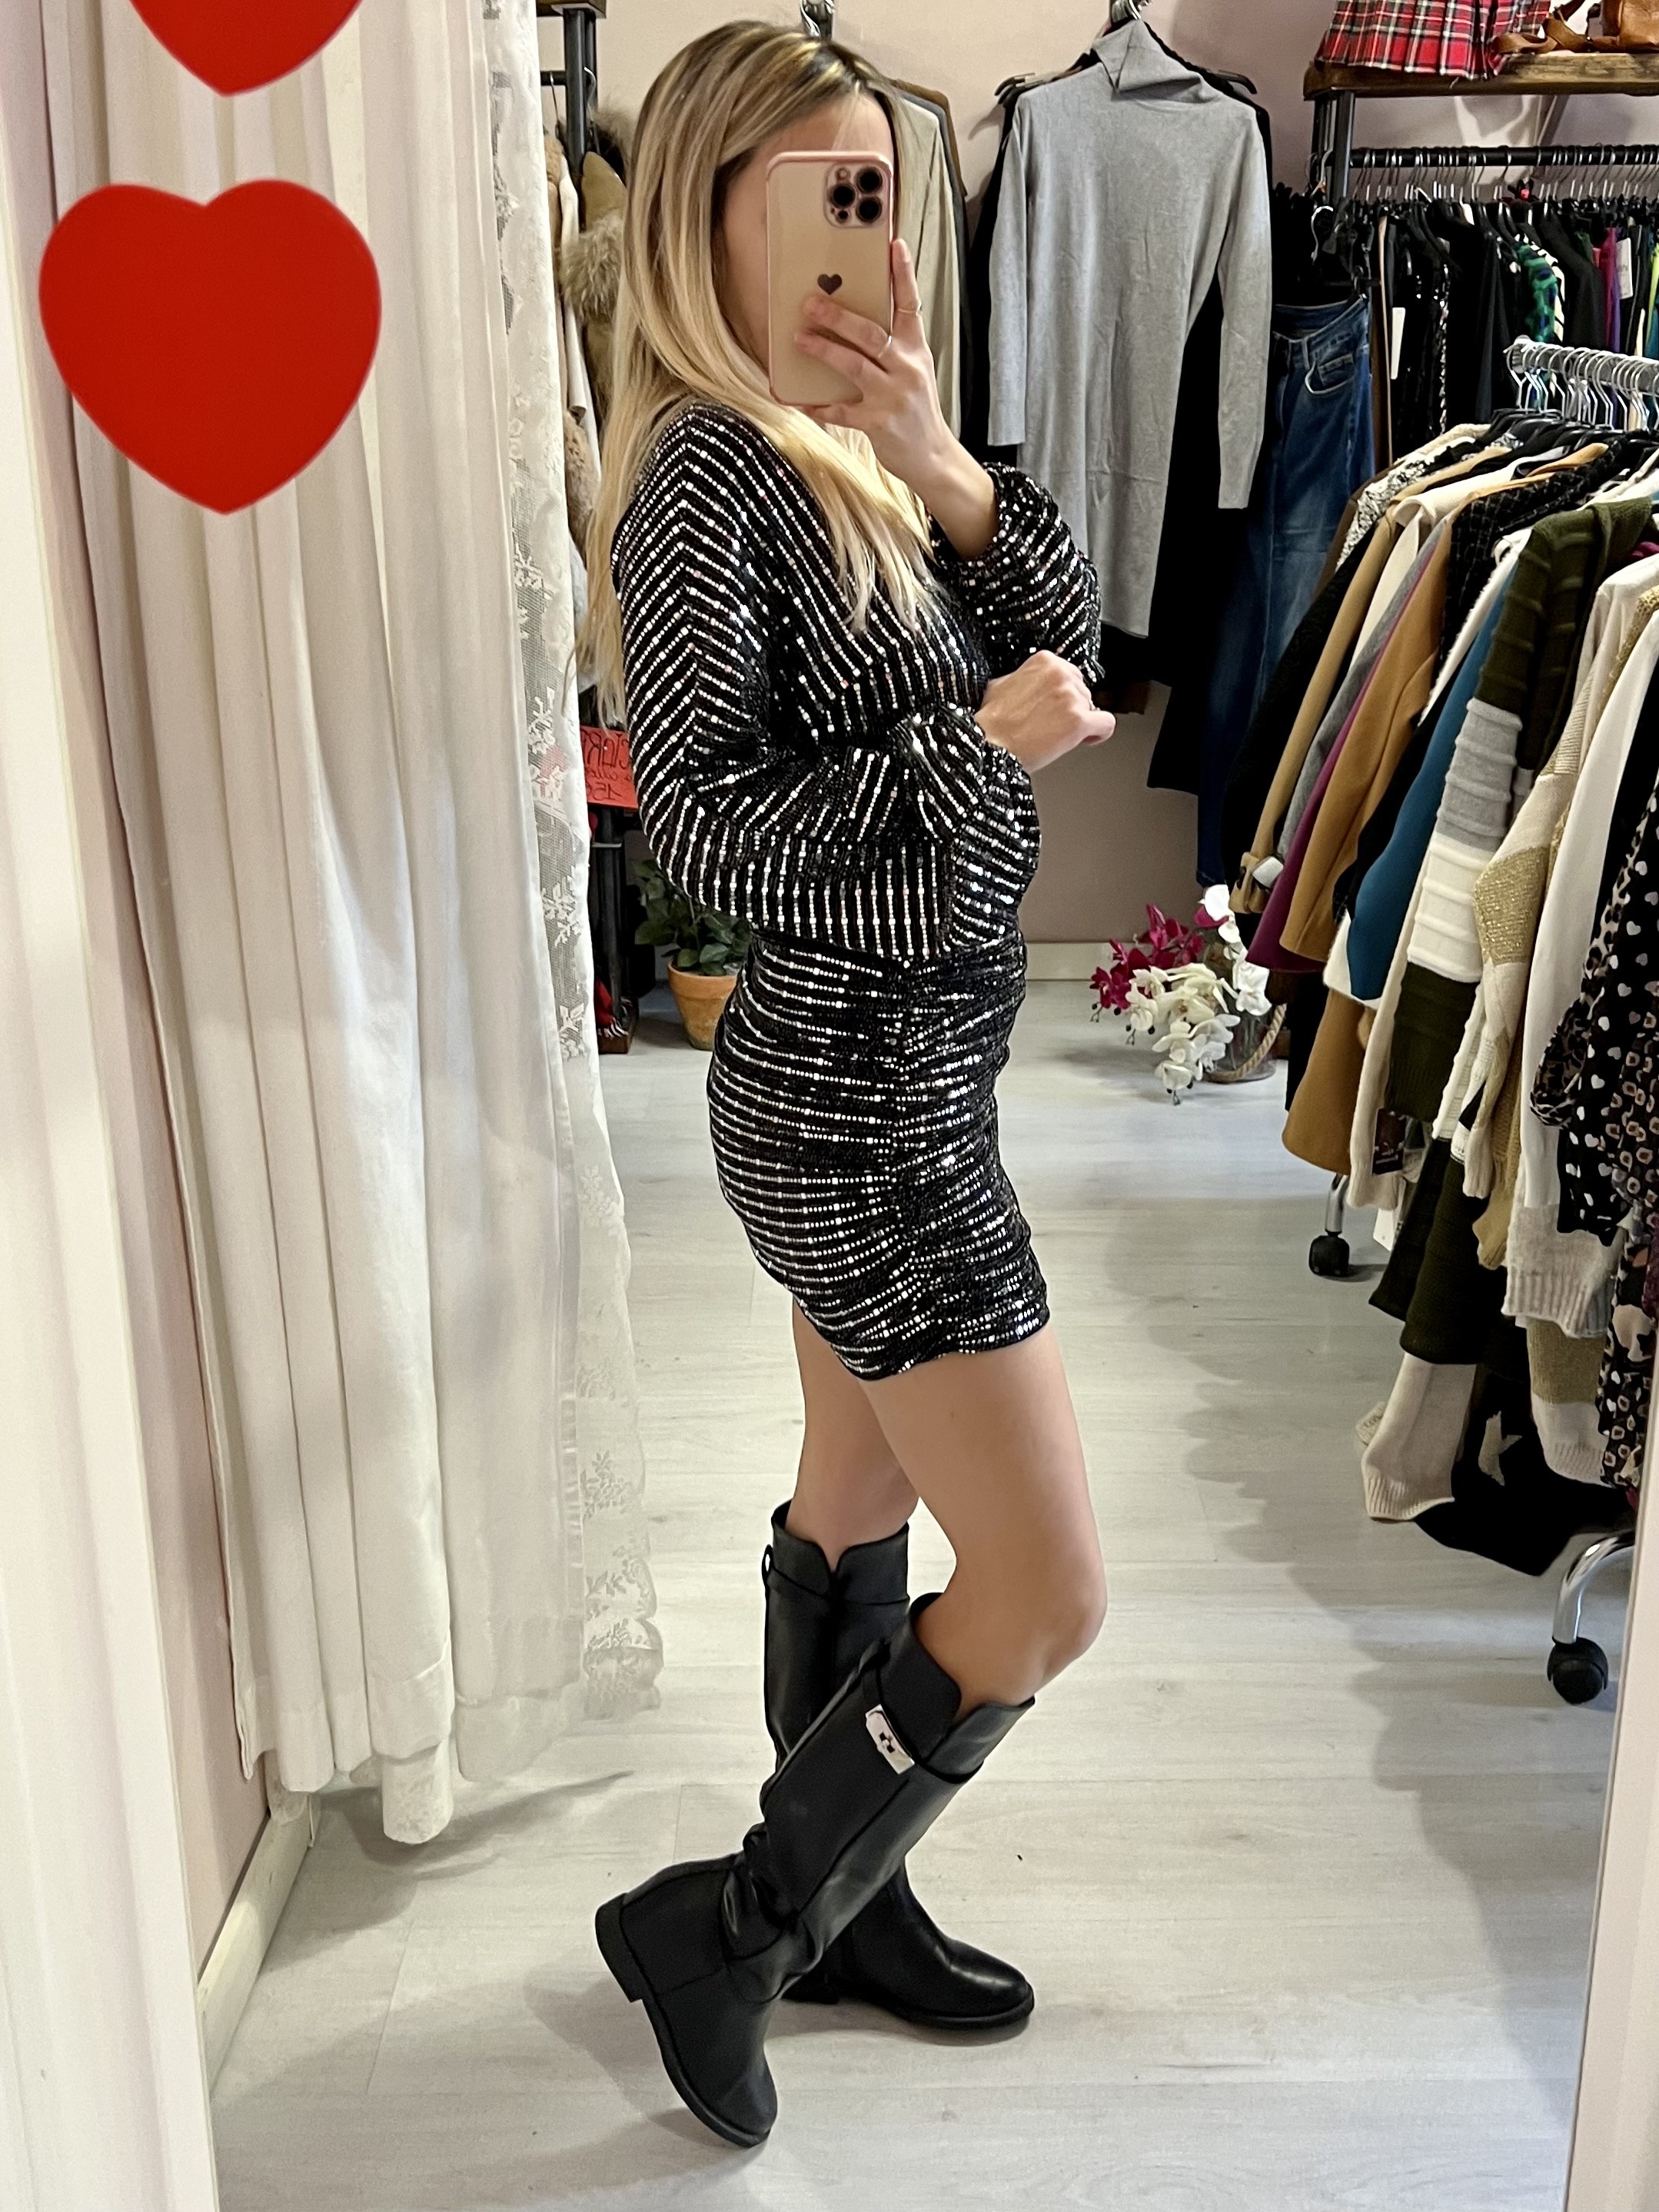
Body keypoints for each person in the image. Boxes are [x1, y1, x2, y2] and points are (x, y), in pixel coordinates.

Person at [583, 22, 1114, 2149]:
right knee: (1047, 1593)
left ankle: (849, 1911)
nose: (859, 236)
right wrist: (971, 755)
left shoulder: (852, 446)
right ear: (704, 213)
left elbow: (1071, 654)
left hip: (903, 1077)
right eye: (814, 192)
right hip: (859, 1104)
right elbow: (708, 838)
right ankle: (733, 1927)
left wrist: (956, 472)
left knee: (859, 1502)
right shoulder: (710, 478)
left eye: (875, 190)